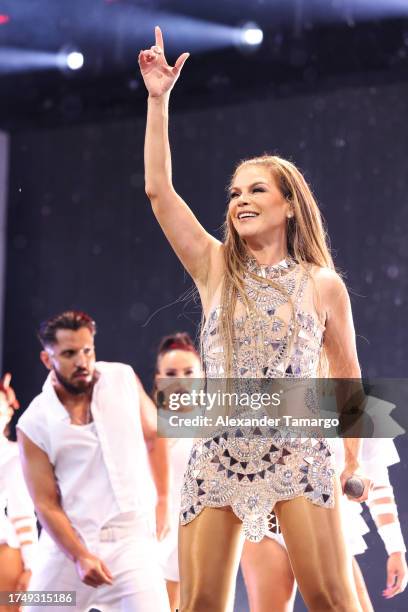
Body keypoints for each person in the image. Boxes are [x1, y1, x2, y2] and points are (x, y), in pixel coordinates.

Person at [139, 27, 371, 611]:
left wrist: (351, 460)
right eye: (234, 191)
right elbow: (159, 191)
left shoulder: (323, 285)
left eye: (256, 189)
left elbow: (347, 380)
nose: (240, 199)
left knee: (330, 600)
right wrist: (158, 100)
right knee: (198, 606)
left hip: (296, 453)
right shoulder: (216, 269)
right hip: (217, 453)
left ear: (289, 203)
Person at [17, 311, 170, 612]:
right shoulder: (33, 422)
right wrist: (78, 556)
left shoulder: (122, 377)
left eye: (88, 350)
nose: (82, 361)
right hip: (68, 547)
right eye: (69, 353)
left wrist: (164, 499)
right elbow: (45, 503)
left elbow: (154, 434)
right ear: (48, 360)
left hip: (131, 541)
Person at [240, 437, 407, 612]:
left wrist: (395, 548)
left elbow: (376, 479)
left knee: (338, 603)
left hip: (318, 521)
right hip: (265, 517)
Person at [152, 332, 203, 612]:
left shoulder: (216, 427)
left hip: (202, 537)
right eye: (171, 373)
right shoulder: (146, 428)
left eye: (188, 372)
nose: (180, 380)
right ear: (159, 379)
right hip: (154, 537)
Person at [0, 374, 38, 612]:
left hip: (5, 550)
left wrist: (31, 566)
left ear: (8, 413)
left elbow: (23, 514)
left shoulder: (15, 456)